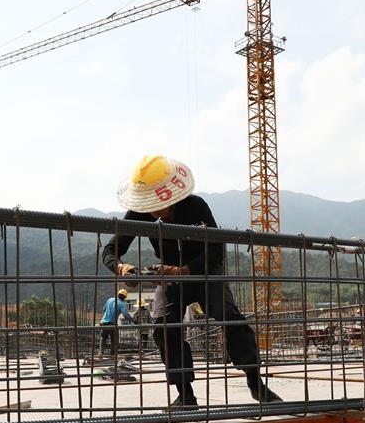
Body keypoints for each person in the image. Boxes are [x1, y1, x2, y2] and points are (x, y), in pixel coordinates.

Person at [101, 155, 282, 409]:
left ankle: (255, 382)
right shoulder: (138, 213)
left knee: (229, 315)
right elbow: (110, 250)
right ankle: (185, 394)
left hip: (205, 270)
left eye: (159, 203)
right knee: (163, 325)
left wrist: (183, 270)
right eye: (149, 203)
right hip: (169, 275)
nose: (155, 210)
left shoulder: (195, 206)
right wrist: (122, 268)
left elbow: (216, 249)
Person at [99, 289, 134, 358]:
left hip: (103, 322)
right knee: (114, 340)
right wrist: (134, 320)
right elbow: (126, 315)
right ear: (124, 297)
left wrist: (108, 315)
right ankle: (112, 355)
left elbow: (104, 309)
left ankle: (101, 352)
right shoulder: (121, 304)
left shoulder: (109, 299)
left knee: (103, 338)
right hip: (112, 324)